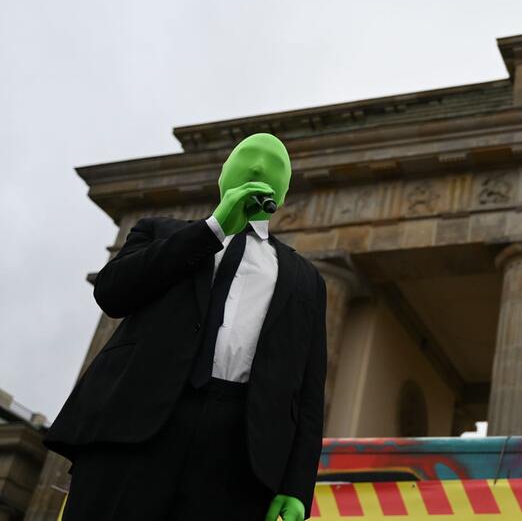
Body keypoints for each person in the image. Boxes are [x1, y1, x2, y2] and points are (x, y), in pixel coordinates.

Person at [44, 133, 327, 521]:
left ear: (285, 188)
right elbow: (113, 294)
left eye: (274, 164)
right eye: (247, 157)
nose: (260, 167)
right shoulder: (160, 232)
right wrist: (212, 230)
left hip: (239, 452)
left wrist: (296, 486)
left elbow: (309, 390)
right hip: (135, 429)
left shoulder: (306, 279)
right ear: (224, 174)